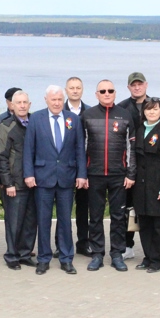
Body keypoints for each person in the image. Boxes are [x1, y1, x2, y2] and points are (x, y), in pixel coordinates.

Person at [23, 85, 87, 275]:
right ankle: (43, 258)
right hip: (42, 178)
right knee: (43, 221)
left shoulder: (73, 119)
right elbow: (29, 149)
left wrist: (81, 174)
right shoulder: (35, 118)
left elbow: (79, 149)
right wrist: (28, 174)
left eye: (60, 99)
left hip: (66, 178)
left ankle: (67, 258)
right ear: (46, 100)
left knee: (65, 221)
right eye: (54, 100)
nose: (57, 103)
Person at [81, 80, 137, 272]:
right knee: (95, 216)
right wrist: (83, 173)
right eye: (102, 91)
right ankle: (97, 254)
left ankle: (116, 254)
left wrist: (130, 173)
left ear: (114, 93)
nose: (107, 93)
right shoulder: (87, 115)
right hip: (94, 174)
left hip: (118, 175)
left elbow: (131, 148)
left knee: (118, 216)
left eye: (110, 90)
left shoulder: (124, 115)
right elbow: (81, 148)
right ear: (96, 94)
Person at [117, 72, 160, 259]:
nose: (137, 87)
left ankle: (158, 258)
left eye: (140, 84)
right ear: (128, 87)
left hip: (157, 181)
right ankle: (136, 250)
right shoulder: (123, 108)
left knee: (157, 222)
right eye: (133, 85)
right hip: (136, 178)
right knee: (139, 218)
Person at [132, 98, 160, 273]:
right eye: (148, 109)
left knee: (158, 225)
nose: (151, 112)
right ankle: (148, 257)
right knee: (144, 224)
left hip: (158, 185)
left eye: (155, 109)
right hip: (141, 186)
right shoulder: (140, 129)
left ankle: (159, 259)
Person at [0, 90, 37, 269]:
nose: (21, 105)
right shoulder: (6, 126)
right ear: (11, 105)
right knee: (14, 222)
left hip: (34, 182)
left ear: (29, 105)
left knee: (30, 221)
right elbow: (1, 157)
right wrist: (8, 183)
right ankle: (12, 255)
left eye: (24, 102)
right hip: (14, 184)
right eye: (18, 102)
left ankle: (25, 253)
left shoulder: (36, 123)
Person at [64, 77, 92, 256]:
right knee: (63, 209)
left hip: (84, 168)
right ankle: (62, 245)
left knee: (83, 208)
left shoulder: (90, 112)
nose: (75, 91)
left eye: (78, 88)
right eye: (71, 88)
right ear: (66, 90)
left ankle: (83, 242)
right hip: (64, 167)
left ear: (82, 90)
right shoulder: (58, 109)